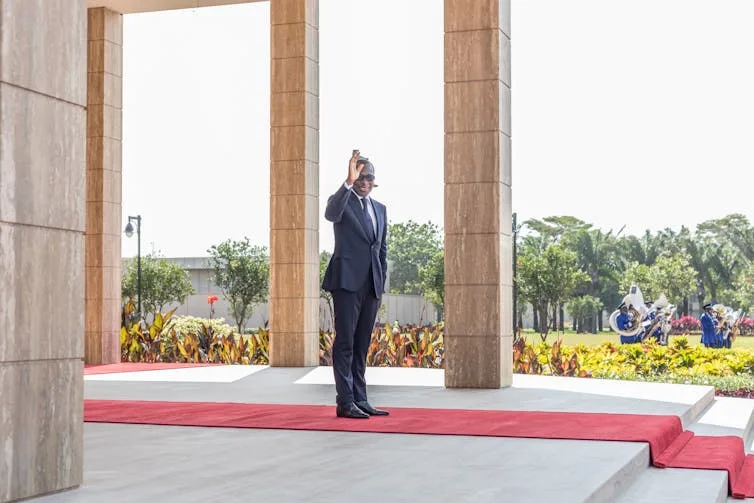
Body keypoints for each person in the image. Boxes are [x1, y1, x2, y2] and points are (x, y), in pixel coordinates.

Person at [322, 149, 389, 419]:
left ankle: (361, 399)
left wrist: (381, 282)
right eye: (360, 176)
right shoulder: (342, 202)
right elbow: (330, 214)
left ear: (374, 180)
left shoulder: (380, 209)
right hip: (347, 282)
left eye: (368, 176)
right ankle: (345, 401)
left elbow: (381, 249)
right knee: (346, 343)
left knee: (362, 345)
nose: (364, 181)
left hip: (371, 285)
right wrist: (347, 182)